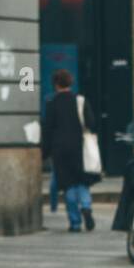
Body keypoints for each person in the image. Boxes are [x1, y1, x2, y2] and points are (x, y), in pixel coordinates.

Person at [41, 69, 97, 232]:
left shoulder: (52, 103)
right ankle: (86, 207)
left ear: (56, 84)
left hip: (60, 150)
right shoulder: (80, 101)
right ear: (70, 83)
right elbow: (91, 123)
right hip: (79, 148)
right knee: (82, 181)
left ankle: (75, 223)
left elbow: (48, 129)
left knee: (69, 185)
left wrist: (45, 152)